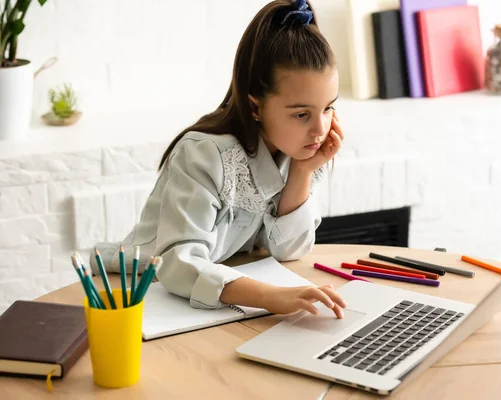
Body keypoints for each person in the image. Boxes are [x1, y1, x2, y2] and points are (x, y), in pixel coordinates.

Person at [90, 0, 347, 318]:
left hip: (218, 286)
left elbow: (289, 251)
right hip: (142, 287)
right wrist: (270, 297)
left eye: (328, 108)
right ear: (256, 107)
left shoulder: (298, 153)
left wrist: (302, 173)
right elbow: (179, 263)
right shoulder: (205, 156)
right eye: (301, 114)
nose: (320, 130)